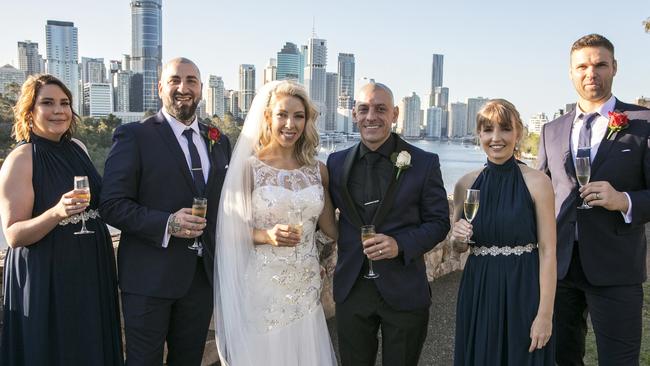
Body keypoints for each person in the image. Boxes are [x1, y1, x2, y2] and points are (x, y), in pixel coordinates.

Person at [100, 57, 231, 365]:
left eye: (191, 81)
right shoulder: (134, 136)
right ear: (160, 88)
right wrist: (167, 223)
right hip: (149, 281)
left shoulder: (219, 140)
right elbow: (111, 204)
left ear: (200, 89)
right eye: (174, 80)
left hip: (200, 280)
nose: (183, 88)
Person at [537, 34, 650, 366]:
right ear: (570, 73)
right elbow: (539, 194)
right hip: (558, 271)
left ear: (614, 68)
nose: (591, 73)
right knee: (560, 359)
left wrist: (624, 200)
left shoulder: (644, 124)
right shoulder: (551, 130)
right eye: (582, 66)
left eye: (600, 64)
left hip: (616, 269)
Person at [0, 74, 123, 365]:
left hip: (91, 268)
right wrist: (56, 212)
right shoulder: (21, 159)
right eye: (47, 103)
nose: (59, 110)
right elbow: (14, 235)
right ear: (29, 112)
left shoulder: (78, 148)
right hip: (49, 274)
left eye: (65, 103)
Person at [213, 80, 338, 366]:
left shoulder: (318, 170)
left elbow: (331, 228)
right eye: (282, 114)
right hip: (264, 286)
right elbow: (228, 232)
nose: (290, 124)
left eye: (299, 116)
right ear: (267, 117)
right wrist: (266, 236)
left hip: (306, 284)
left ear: (307, 121)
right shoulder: (249, 169)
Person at [326, 82, 450, 366]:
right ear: (354, 114)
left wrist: (400, 244)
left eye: (381, 109)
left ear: (394, 114)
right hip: (351, 289)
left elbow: (440, 221)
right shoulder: (335, 163)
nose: (372, 116)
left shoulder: (424, 162)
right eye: (364, 109)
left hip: (404, 288)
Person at [451, 99, 556, 365]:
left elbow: (548, 250)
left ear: (518, 133)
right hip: (479, 289)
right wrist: (458, 237)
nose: (496, 138)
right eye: (487, 130)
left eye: (505, 129)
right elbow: (459, 247)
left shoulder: (538, 183)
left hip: (524, 288)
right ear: (479, 135)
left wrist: (545, 313)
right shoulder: (466, 185)